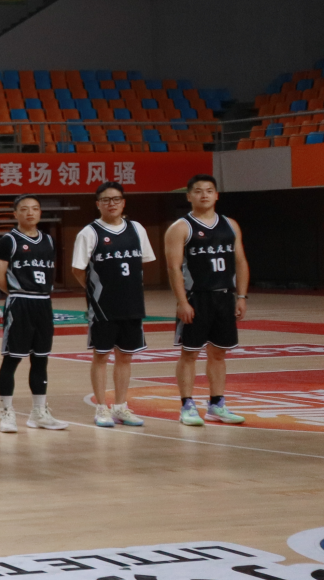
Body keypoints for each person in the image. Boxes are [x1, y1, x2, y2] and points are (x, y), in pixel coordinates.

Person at [70, 181, 158, 428]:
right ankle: (101, 408)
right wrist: (94, 291)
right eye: (106, 200)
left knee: (125, 356)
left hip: (132, 303)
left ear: (123, 202)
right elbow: (77, 269)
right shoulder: (89, 232)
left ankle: (120, 407)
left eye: (116, 199)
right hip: (103, 307)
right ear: (98, 204)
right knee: (101, 355)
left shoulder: (137, 229)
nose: (112, 203)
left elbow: (143, 262)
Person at [166, 174, 249, 428]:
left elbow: (240, 261)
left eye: (209, 190)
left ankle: (216, 404)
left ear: (216, 195)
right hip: (196, 297)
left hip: (224, 297)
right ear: (189, 196)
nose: (204, 195)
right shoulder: (180, 227)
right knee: (189, 353)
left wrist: (241, 296)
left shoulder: (230, 225)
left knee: (218, 353)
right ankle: (187, 405)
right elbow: (173, 268)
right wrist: (182, 302)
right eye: (198, 191)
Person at [0, 194, 66, 432]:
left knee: (41, 359)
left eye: (35, 208)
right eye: (24, 209)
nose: (30, 213)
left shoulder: (49, 241)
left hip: (43, 303)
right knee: (12, 358)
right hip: (20, 302)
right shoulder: (8, 241)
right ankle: (6, 413)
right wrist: (17, 292)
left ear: (40, 212)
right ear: (15, 214)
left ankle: (39, 413)